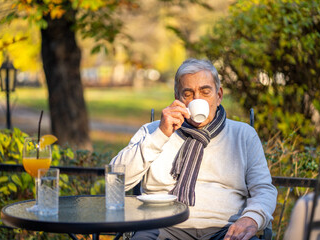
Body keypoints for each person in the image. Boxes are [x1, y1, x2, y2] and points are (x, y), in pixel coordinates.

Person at [110, 58, 277, 240]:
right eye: (188, 94)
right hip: (162, 226)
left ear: (219, 95)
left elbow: (263, 190)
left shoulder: (243, 135)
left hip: (225, 230)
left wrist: (251, 219)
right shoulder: (153, 132)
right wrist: (161, 135)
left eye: (205, 92)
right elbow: (115, 181)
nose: (197, 100)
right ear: (177, 99)